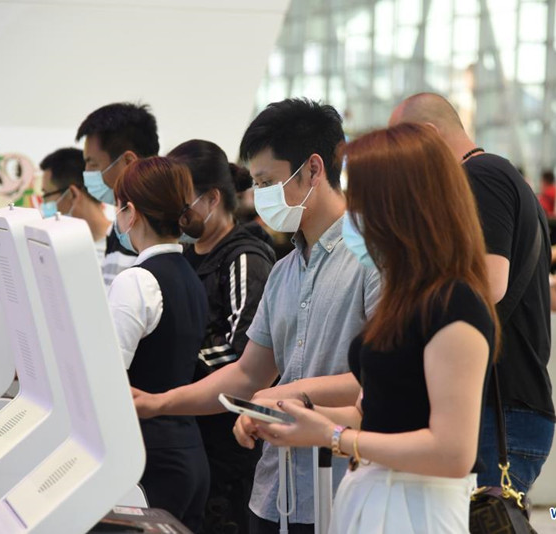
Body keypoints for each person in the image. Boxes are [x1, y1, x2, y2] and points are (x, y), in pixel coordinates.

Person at [132, 98, 380, 534]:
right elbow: (249, 374)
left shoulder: (374, 260)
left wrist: (287, 397)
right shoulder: (286, 271)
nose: (260, 197)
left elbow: (382, 381)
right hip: (275, 495)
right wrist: (159, 403)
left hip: (346, 494)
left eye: (268, 181)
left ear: (313, 170)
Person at [254, 122, 498, 533]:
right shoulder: (405, 299)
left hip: (416, 508)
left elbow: (452, 451)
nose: (351, 215)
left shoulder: (455, 305)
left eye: (361, 202)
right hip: (374, 495)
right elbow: (379, 413)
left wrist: (333, 436)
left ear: (402, 207)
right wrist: (298, 419)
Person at [389, 92, 554, 495]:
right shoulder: (497, 179)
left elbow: (489, 284)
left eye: (404, 143)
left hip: (500, 411)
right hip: (504, 409)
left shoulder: (481, 176)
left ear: (429, 133)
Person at [167, 139, 276, 534]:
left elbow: (243, 354)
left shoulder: (245, 258)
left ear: (212, 199)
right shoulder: (183, 254)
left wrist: (170, 361)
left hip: (229, 446)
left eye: (182, 202)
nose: (175, 214)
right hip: (189, 429)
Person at [108, 157, 210, 532]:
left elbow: (109, 380)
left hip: (148, 458)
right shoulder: (190, 276)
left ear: (130, 211)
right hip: (189, 454)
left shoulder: (135, 281)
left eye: (119, 206)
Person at [76, 101, 160, 286]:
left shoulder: (161, 227)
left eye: (93, 164)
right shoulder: (118, 229)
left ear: (129, 161)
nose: (87, 172)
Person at [39, 147, 113, 259]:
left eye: (46, 195)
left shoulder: (125, 251)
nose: (44, 205)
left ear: (72, 194)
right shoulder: (64, 252)